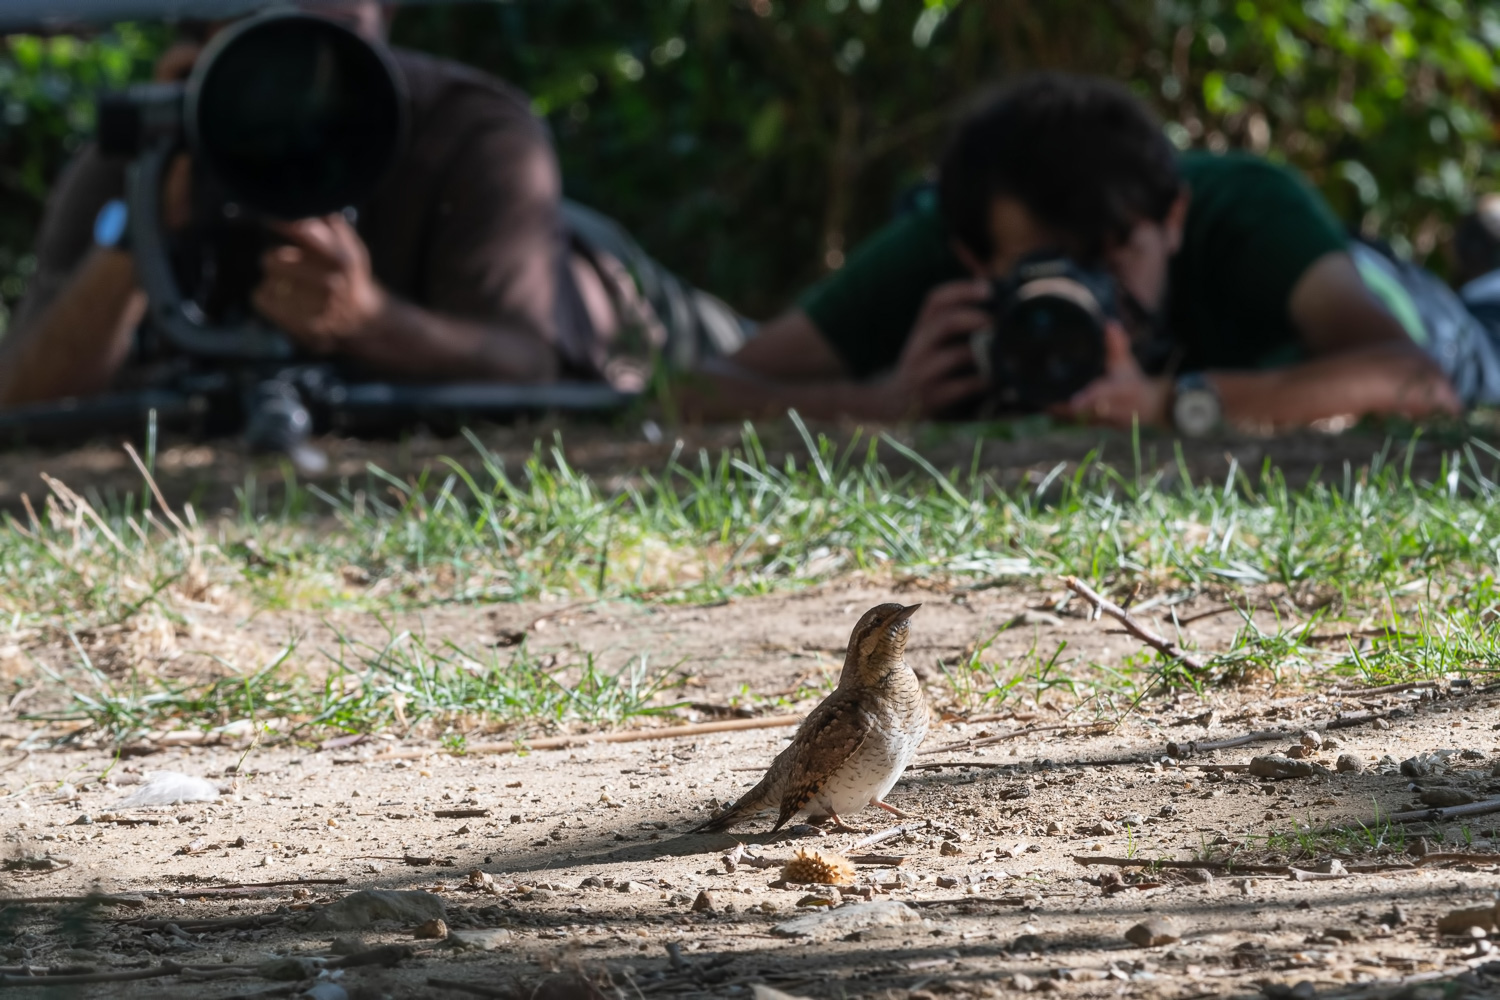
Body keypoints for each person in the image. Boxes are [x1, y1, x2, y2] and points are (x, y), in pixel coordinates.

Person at [0, 1, 745, 410]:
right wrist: (141, 229)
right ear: (209, 32)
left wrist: (369, 321)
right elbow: (22, 393)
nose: (313, 80)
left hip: (607, 291)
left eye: (341, 40)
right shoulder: (152, 143)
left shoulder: (473, 129)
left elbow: (527, 358)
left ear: (387, 20)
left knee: (754, 358)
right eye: (278, 42)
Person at [684, 73, 1475, 431]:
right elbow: (696, 391)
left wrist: (1176, 402)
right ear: (973, 256)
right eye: (1050, 263)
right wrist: (879, 401)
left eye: (1115, 252)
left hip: (1428, 317)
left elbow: (1418, 379)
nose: (1091, 288)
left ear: (1172, 217)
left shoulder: (1246, 207)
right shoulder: (936, 244)